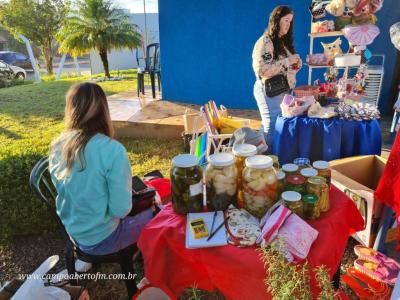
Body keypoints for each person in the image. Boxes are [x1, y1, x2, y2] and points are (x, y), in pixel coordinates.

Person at [49, 82, 153, 255]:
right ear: (104, 110)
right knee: (160, 213)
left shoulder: (57, 144)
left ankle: (85, 260)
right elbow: (120, 210)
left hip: (74, 234)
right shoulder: (113, 150)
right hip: (104, 239)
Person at [252, 5, 302, 151]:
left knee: (275, 125)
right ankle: (268, 160)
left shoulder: (282, 43)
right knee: (272, 127)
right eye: (286, 20)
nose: (288, 24)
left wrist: (295, 65)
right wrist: (288, 61)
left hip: (280, 91)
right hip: (269, 91)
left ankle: (268, 155)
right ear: (277, 20)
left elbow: (284, 69)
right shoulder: (266, 42)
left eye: (290, 21)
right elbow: (262, 69)